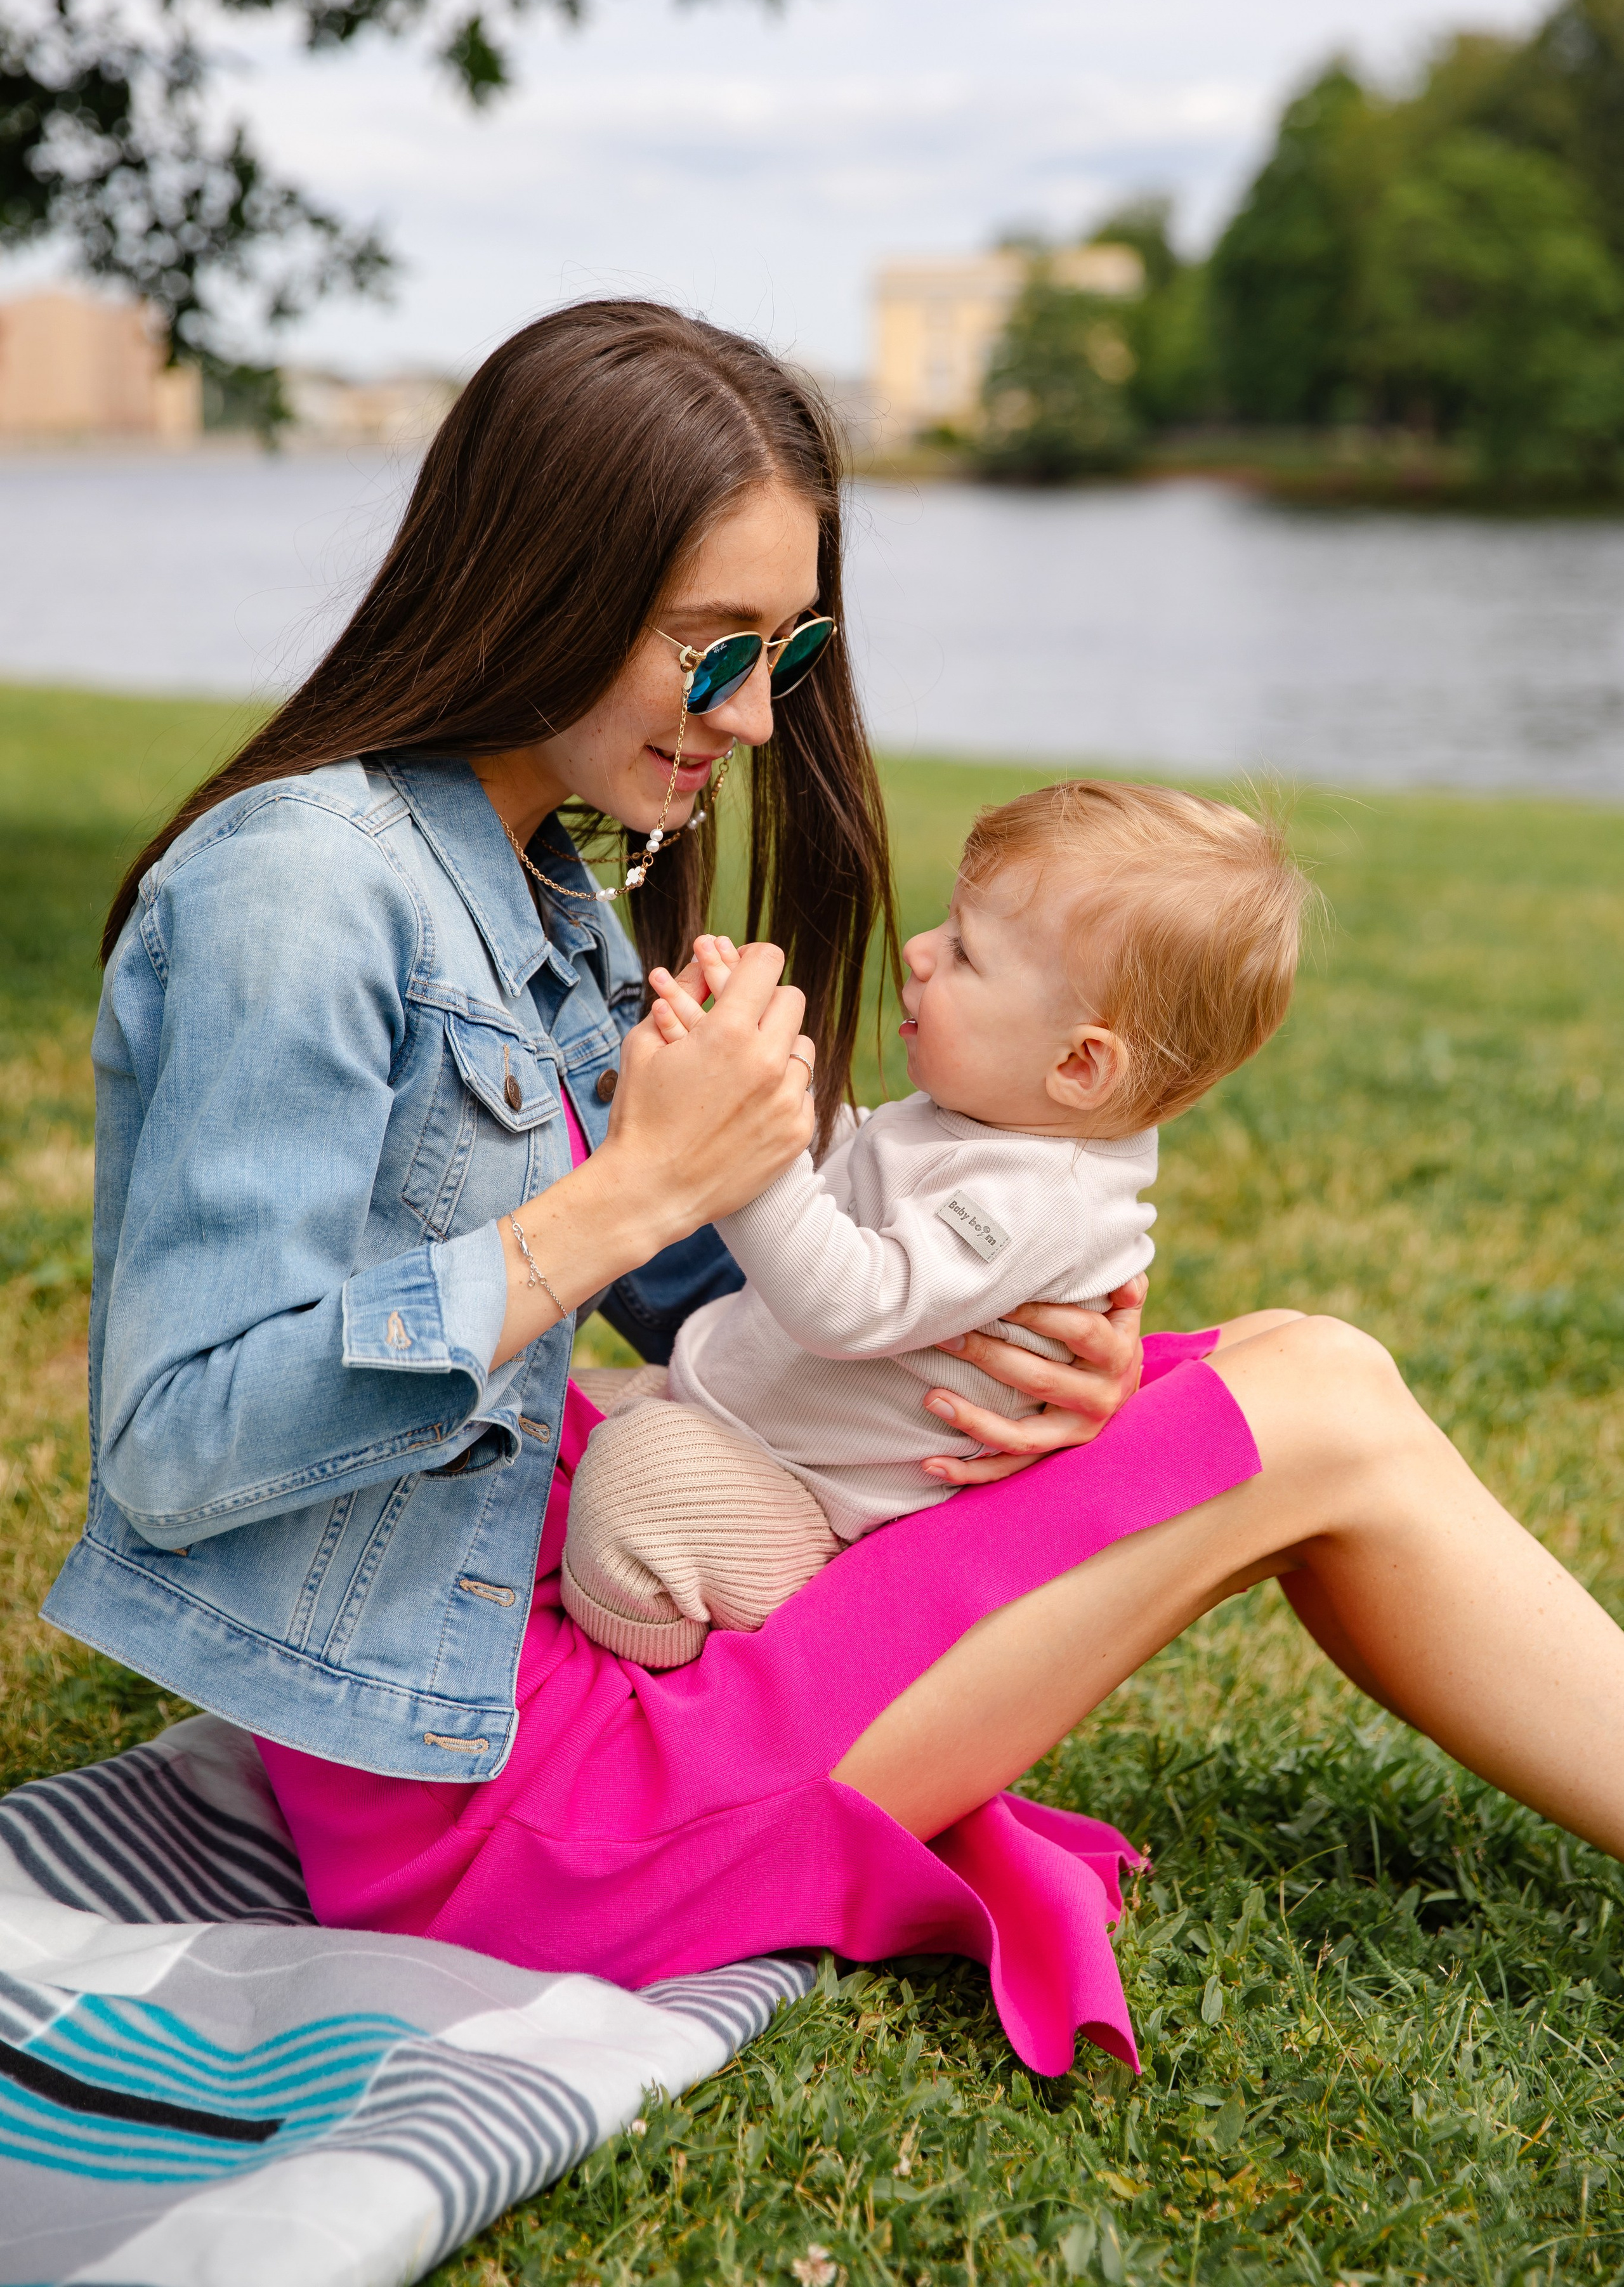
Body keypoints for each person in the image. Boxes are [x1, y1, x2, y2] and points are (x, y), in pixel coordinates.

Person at [45, 299, 1624, 2078]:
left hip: (565, 1609)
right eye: (708, 646)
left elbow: (693, 1305)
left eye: (783, 655)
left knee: (1275, 1356)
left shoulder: (518, 876)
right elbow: (179, 1448)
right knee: (1319, 1407)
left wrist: (1053, 1369)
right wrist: (632, 1193)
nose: (750, 713)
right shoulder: (302, 891)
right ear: (541, 577)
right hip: (514, 1811)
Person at [559, 782, 1311, 1667]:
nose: (919, 951)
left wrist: (746, 1157)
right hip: (741, 1417)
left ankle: (661, 1684)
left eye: (965, 950)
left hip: (817, 1501)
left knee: (631, 1496)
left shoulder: (1036, 1201)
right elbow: (857, 1169)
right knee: (546, 1432)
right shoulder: (995, 1120)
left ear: (1078, 1062)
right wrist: (760, 1079)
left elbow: (856, 1302)